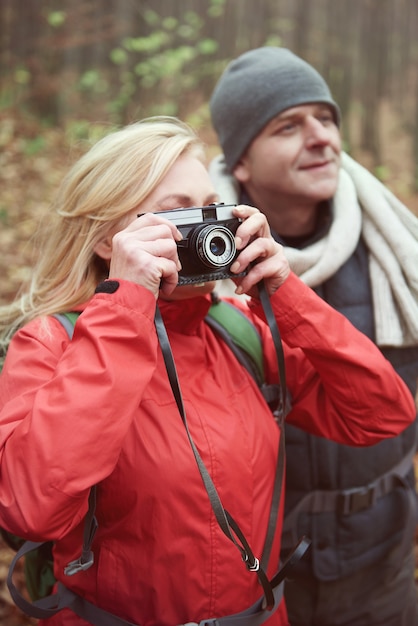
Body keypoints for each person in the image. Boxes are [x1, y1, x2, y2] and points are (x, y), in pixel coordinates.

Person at [0, 116, 415, 626]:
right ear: (109, 241)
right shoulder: (51, 343)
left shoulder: (236, 332)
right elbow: (30, 510)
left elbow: (382, 414)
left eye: (210, 209)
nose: (206, 231)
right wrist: (126, 304)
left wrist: (283, 293)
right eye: (178, 213)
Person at [209, 47, 418, 626]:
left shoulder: (396, 252)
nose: (322, 137)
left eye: (325, 119)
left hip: (384, 559)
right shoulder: (201, 275)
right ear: (241, 162)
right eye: (288, 126)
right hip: (260, 569)